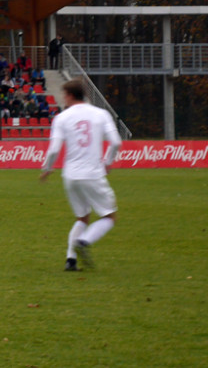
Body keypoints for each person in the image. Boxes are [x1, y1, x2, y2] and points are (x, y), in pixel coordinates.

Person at [40, 78, 122, 271]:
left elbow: (53, 150)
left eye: (64, 95)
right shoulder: (101, 114)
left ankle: (71, 260)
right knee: (110, 217)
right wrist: (107, 163)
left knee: (82, 218)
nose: (63, 98)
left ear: (69, 95)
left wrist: (47, 169)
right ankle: (84, 241)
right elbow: (116, 142)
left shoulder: (61, 118)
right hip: (92, 173)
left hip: (70, 176)